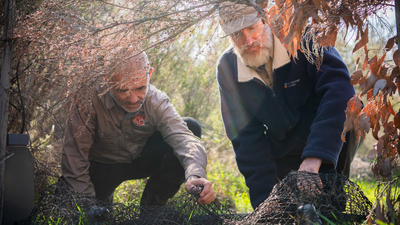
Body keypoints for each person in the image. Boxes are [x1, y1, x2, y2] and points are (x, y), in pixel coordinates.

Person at [216, 3, 357, 209]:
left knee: (329, 207)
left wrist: (315, 156)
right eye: (237, 34)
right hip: (282, 148)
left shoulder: (304, 37)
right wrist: (264, 203)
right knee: (286, 210)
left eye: (253, 28)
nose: (248, 40)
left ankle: (334, 188)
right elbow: (245, 138)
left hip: (324, 139)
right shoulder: (227, 67)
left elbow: (341, 92)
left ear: (266, 20)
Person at [62, 52, 215, 206]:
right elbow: (74, 156)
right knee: (78, 207)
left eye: (140, 88)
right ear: (107, 82)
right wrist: (87, 204)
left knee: (192, 126)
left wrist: (195, 175)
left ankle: (153, 205)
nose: (133, 99)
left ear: (149, 74)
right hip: (102, 166)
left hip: (139, 160)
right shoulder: (88, 100)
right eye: (123, 90)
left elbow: (185, 139)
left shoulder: (157, 101)